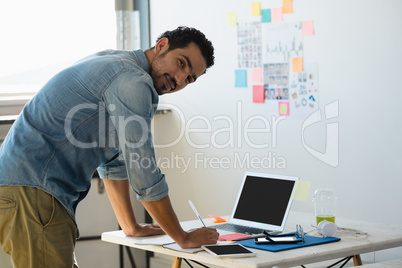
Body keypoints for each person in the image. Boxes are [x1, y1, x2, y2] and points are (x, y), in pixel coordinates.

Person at [0, 26, 219, 267]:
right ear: (161, 46)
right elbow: (143, 172)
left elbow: (114, 161)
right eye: (181, 63)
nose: (179, 80)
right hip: (33, 195)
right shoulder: (133, 81)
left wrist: (130, 226)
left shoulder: (113, 61)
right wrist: (183, 238)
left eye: (189, 78)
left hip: (21, 190)